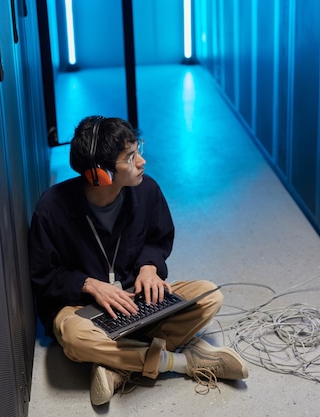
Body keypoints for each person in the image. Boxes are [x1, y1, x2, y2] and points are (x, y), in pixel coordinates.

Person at [28, 116, 248, 406]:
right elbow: (44, 276)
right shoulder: (51, 209)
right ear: (100, 174)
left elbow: (158, 239)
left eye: (138, 149)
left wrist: (149, 266)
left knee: (209, 295)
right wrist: (89, 285)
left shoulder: (147, 191)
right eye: (130, 157)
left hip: (134, 297)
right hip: (79, 308)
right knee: (74, 338)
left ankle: (116, 366)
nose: (142, 161)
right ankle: (182, 362)